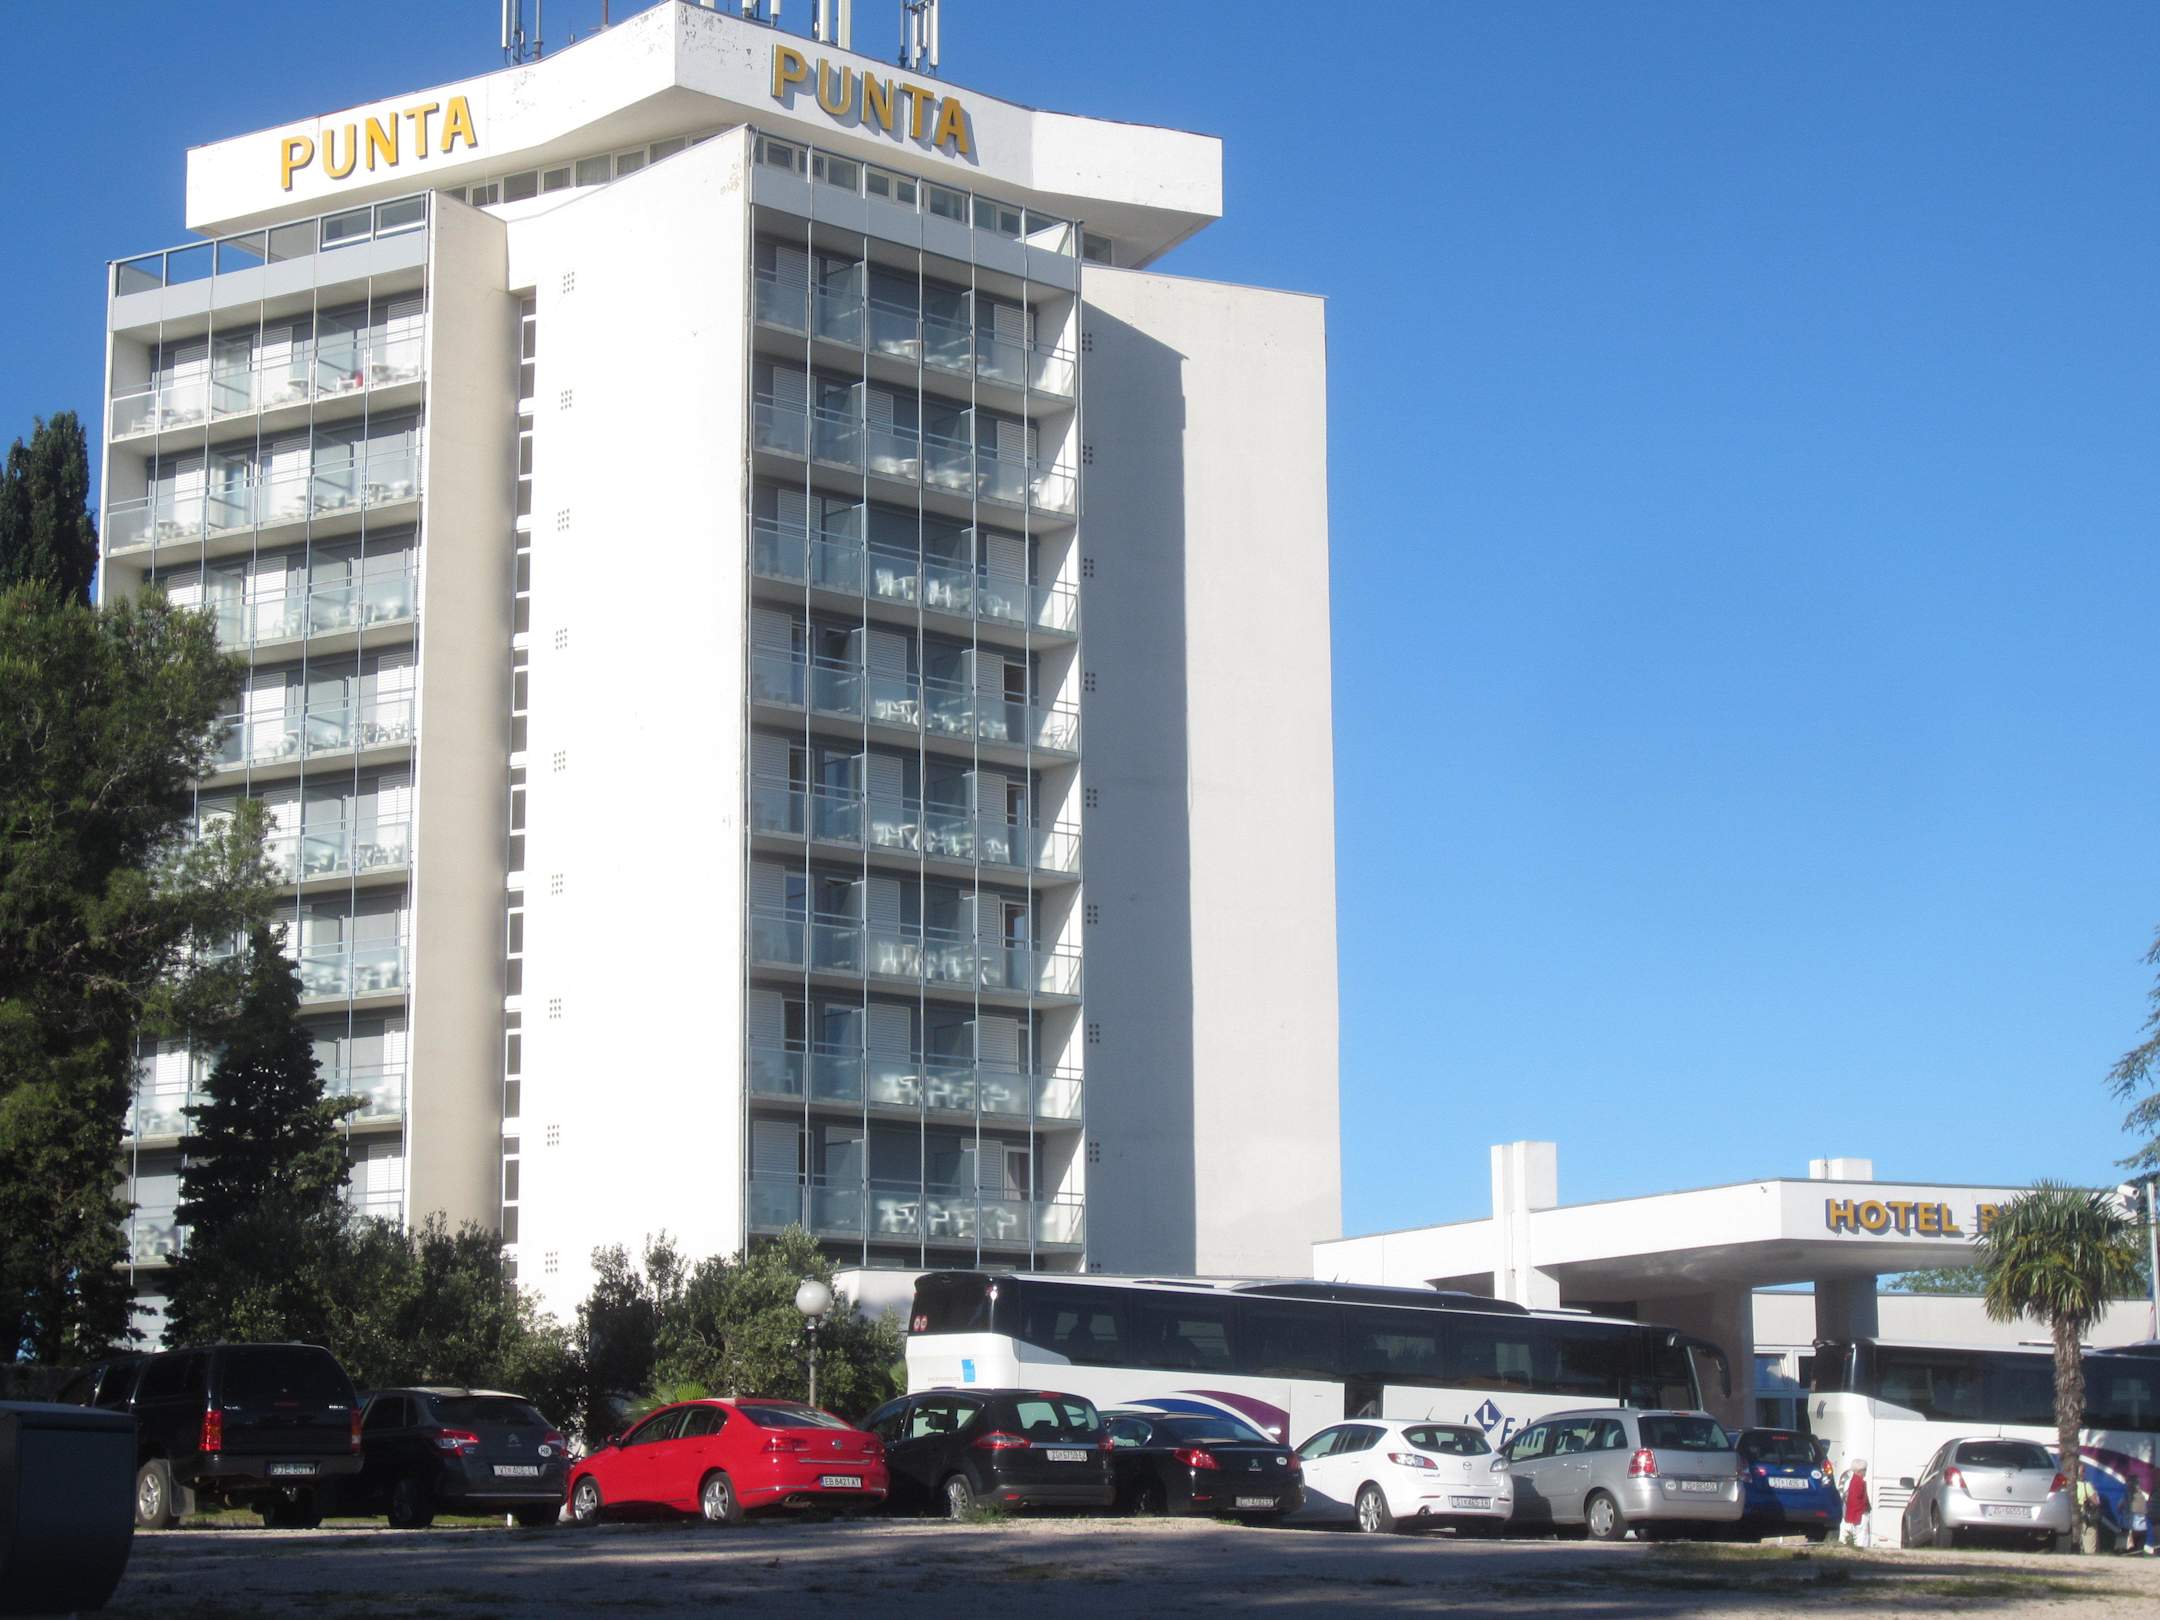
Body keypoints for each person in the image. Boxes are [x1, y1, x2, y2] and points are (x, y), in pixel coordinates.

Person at [1839, 1458, 1871, 1548]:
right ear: (1859, 1471)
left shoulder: (1849, 1481)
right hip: (1859, 1514)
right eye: (1865, 1470)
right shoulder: (1859, 1482)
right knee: (1862, 1539)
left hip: (1850, 1514)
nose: (1865, 1472)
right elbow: (1859, 1500)